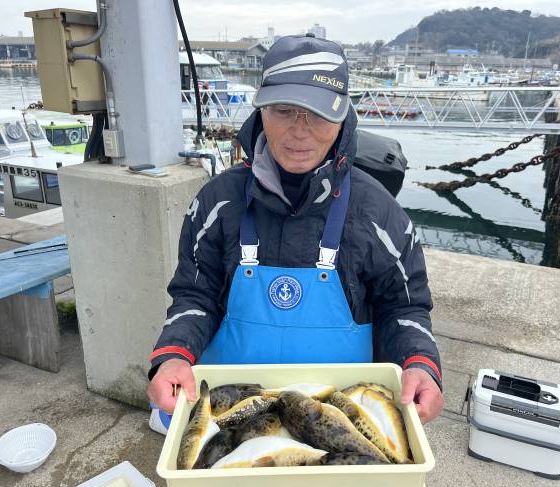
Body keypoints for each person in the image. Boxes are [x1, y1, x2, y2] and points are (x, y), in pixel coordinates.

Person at [147, 35, 443, 433]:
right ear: (262, 110)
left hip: (338, 417)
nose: (299, 132)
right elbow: (195, 295)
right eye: (284, 111)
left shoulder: (379, 212)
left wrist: (420, 363)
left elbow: (404, 307)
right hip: (232, 411)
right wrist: (174, 355)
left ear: (342, 117)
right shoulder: (217, 201)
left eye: (317, 115)